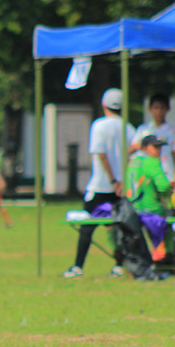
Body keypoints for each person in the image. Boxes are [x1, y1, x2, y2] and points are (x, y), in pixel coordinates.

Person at [64, 88, 134, 278]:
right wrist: (121, 180)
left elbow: (101, 155)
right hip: (122, 188)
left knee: (87, 226)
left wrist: (112, 179)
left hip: (102, 185)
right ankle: (120, 265)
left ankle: (78, 267)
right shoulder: (128, 128)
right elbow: (132, 155)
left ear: (104, 105)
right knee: (120, 227)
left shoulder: (99, 126)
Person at [125, 135, 172, 261]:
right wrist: (166, 195)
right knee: (173, 226)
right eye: (155, 147)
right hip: (151, 209)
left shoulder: (133, 162)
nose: (158, 150)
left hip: (132, 210)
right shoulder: (151, 162)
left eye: (160, 147)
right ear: (145, 148)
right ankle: (167, 260)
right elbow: (164, 185)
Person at [129, 93, 175, 196]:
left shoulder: (172, 131)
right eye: (156, 108)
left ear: (167, 109)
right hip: (147, 175)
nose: (159, 112)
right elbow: (132, 149)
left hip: (166, 173)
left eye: (162, 108)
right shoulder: (143, 129)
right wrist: (145, 146)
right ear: (150, 109)